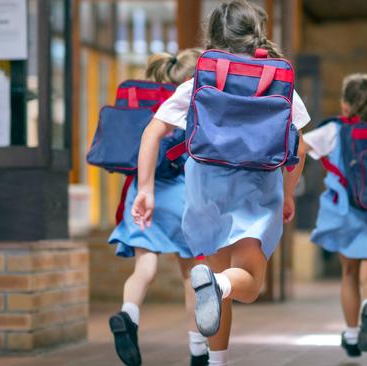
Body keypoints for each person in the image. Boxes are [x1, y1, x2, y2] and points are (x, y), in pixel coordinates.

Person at [131, 2, 310, 366]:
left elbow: (154, 131)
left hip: (205, 189)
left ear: (213, 35)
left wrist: (145, 189)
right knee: (246, 282)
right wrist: (289, 192)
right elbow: (300, 144)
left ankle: (217, 360)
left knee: (213, 278)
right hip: (256, 190)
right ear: (256, 33)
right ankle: (221, 287)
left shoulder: (200, 79)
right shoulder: (277, 80)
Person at [107, 49, 210, 366]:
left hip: (143, 191)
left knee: (145, 269)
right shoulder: (189, 101)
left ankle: (129, 315)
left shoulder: (147, 103)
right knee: (191, 275)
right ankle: (197, 351)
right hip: (181, 195)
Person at [302, 74, 367, 358]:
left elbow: (297, 148)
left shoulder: (334, 129)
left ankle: (351, 334)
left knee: (349, 272)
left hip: (345, 210)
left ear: (346, 105)